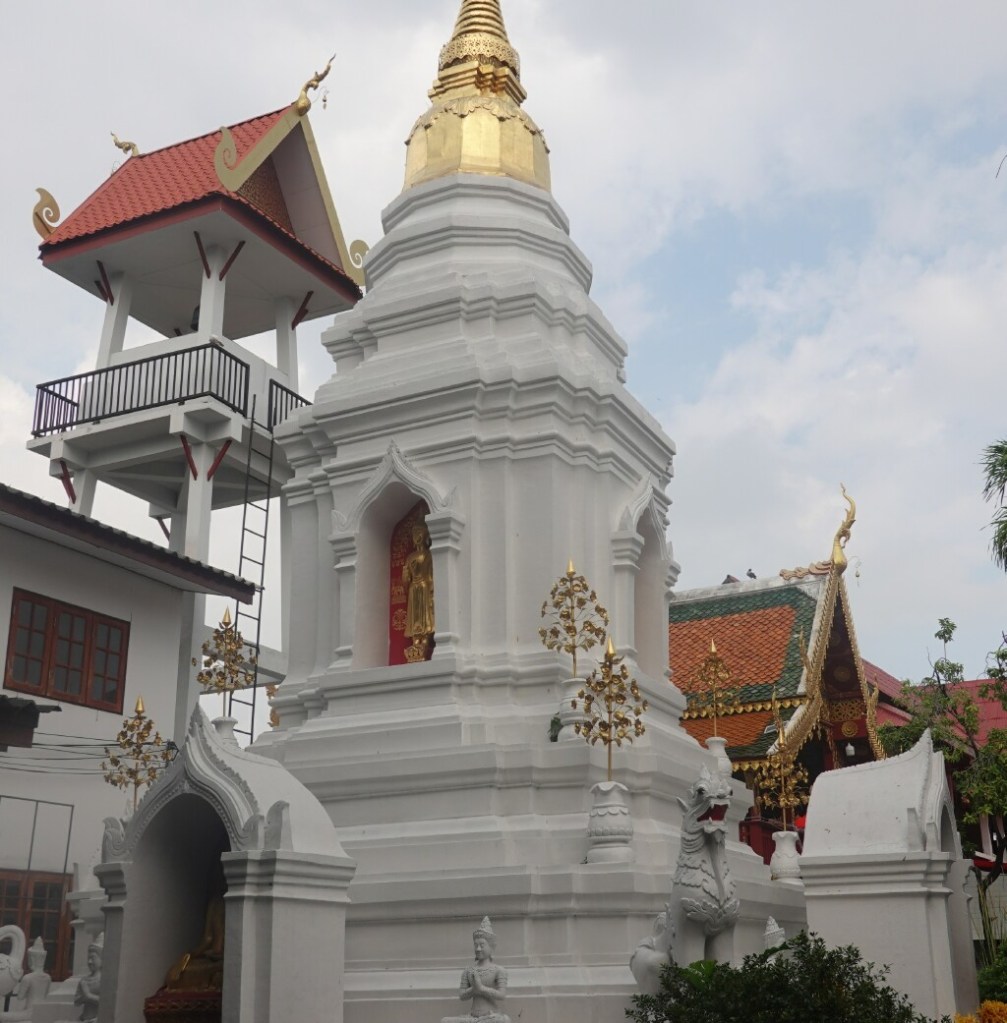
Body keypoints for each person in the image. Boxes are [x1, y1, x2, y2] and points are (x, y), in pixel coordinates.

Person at [442, 917, 510, 1023]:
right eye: (476, 945)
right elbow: (462, 995)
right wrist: (473, 989)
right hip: (472, 1017)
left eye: (482, 945)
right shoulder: (468, 970)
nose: (478, 949)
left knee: (504, 1020)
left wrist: (481, 988)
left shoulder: (499, 970)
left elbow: (501, 995)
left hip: (490, 1017)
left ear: (491, 947)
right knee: (445, 1021)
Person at [402, 523, 435, 656]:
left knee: (425, 614)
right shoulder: (410, 557)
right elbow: (406, 579)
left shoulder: (429, 555)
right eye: (415, 534)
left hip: (424, 587)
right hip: (413, 589)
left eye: (420, 533)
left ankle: (425, 639)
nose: (417, 537)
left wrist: (432, 591)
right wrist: (405, 576)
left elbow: (431, 576)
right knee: (414, 615)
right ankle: (416, 640)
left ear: (426, 535)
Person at [74, 939, 102, 1022]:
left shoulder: (104, 980)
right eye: (88, 958)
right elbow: (77, 1002)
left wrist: (88, 995)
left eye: (93, 958)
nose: (89, 961)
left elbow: (106, 1002)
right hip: (84, 1018)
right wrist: (84, 997)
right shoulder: (84, 980)